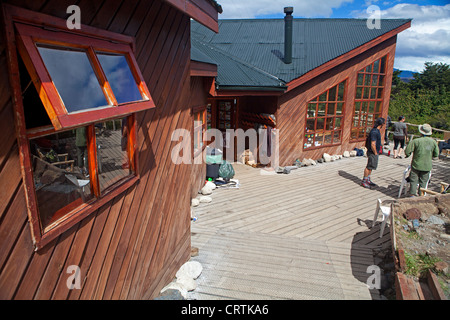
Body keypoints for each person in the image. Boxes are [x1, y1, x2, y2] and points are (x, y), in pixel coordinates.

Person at [404, 123, 439, 197]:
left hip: (416, 164)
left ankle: (412, 195)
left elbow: (407, 151)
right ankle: (421, 195)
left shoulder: (416, 141)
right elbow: (436, 154)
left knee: (413, 180)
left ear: (421, 132)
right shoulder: (433, 142)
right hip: (427, 165)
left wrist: (407, 155)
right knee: (423, 182)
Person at [361, 117, 385, 189]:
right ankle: (364, 181)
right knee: (369, 166)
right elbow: (373, 144)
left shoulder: (376, 130)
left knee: (371, 166)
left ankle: (368, 179)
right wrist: (375, 152)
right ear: (381, 124)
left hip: (374, 151)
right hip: (372, 152)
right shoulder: (374, 132)